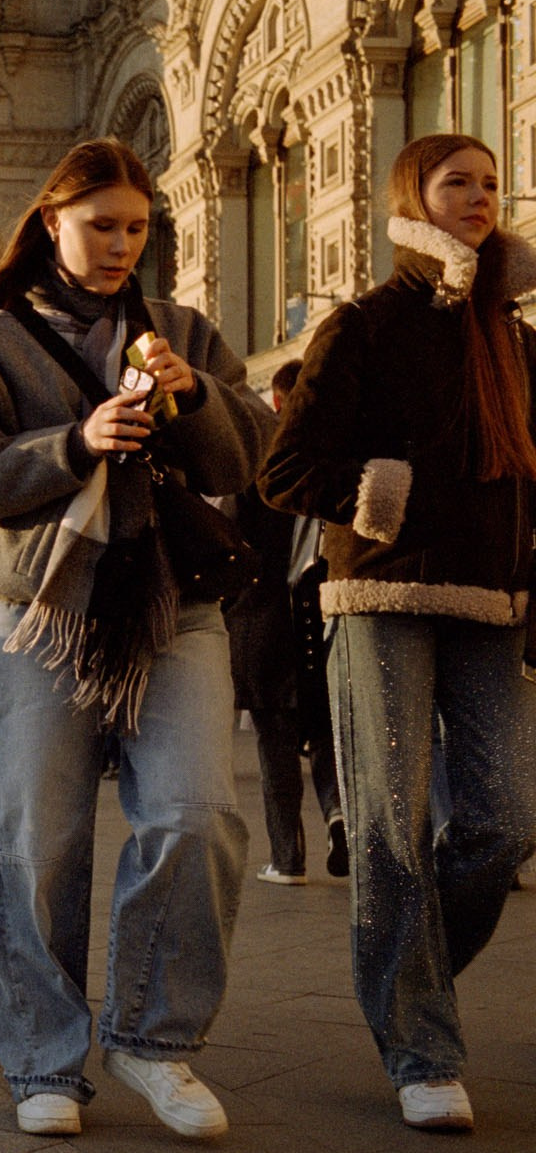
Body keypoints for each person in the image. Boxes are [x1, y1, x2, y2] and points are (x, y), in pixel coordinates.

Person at [0, 138, 272, 1141]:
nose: (120, 244)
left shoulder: (181, 332)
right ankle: (42, 1059)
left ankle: (154, 1041)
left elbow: (250, 452)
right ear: (51, 224)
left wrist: (193, 396)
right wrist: (74, 444)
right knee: (34, 842)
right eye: (100, 225)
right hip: (37, 617)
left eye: (135, 227)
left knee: (195, 815)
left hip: (171, 612)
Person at [258, 133, 536, 1133]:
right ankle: (420, 1044)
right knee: (385, 829)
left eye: (489, 184)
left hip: (489, 608)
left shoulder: (512, 335)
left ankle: (404, 981)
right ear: (410, 195)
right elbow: (283, 470)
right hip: (378, 599)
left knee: (503, 819)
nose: (475, 196)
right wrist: (367, 493)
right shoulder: (364, 325)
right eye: (453, 181)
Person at [228, 366, 342, 886]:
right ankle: (339, 817)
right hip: (321, 613)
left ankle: (287, 859)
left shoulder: (257, 462)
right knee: (323, 730)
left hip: (265, 614)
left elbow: (227, 535)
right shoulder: (332, 458)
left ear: (276, 404)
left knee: (275, 741)